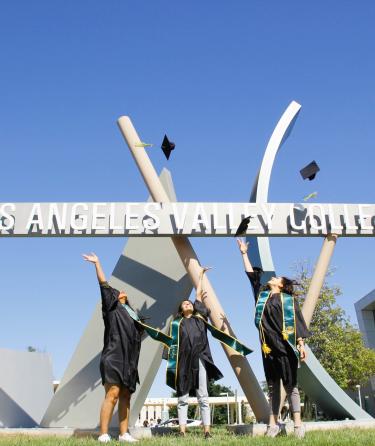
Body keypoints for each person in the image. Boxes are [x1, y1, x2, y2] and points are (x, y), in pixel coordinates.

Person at [236, 239, 309, 439]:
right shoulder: (263, 296)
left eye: (276, 278)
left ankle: (298, 425)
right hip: (267, 347)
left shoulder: (289, 301)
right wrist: (243, 253)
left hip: (286, 345)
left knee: (290, 385)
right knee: (272, 386)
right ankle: (273, 425)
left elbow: (298, 324)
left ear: (281, 285)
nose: (272, 278)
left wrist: (302, 346)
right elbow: (252, 277)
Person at [83, 253, 142, 443]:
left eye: (123, 292)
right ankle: (103, 434)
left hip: (130, 360)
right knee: (113, 393)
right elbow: (104, 284)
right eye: (118, 291)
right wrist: (97, 263)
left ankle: (124, 434)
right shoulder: (111, 308)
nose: (121, 291)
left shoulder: (134, 316)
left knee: (126, 395)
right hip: (113, 355)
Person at [168, 267, 222, 439]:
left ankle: (207, 431)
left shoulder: (200, 320)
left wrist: (200, 276)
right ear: (181, 309)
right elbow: (171, 346)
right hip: (183, 362)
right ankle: (182, 431)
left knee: (203, 396)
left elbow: (198, 296)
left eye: (189, 303)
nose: (188, 303)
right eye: (185, 303)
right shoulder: (177, 324)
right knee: (182, 397)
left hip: (199, 359)